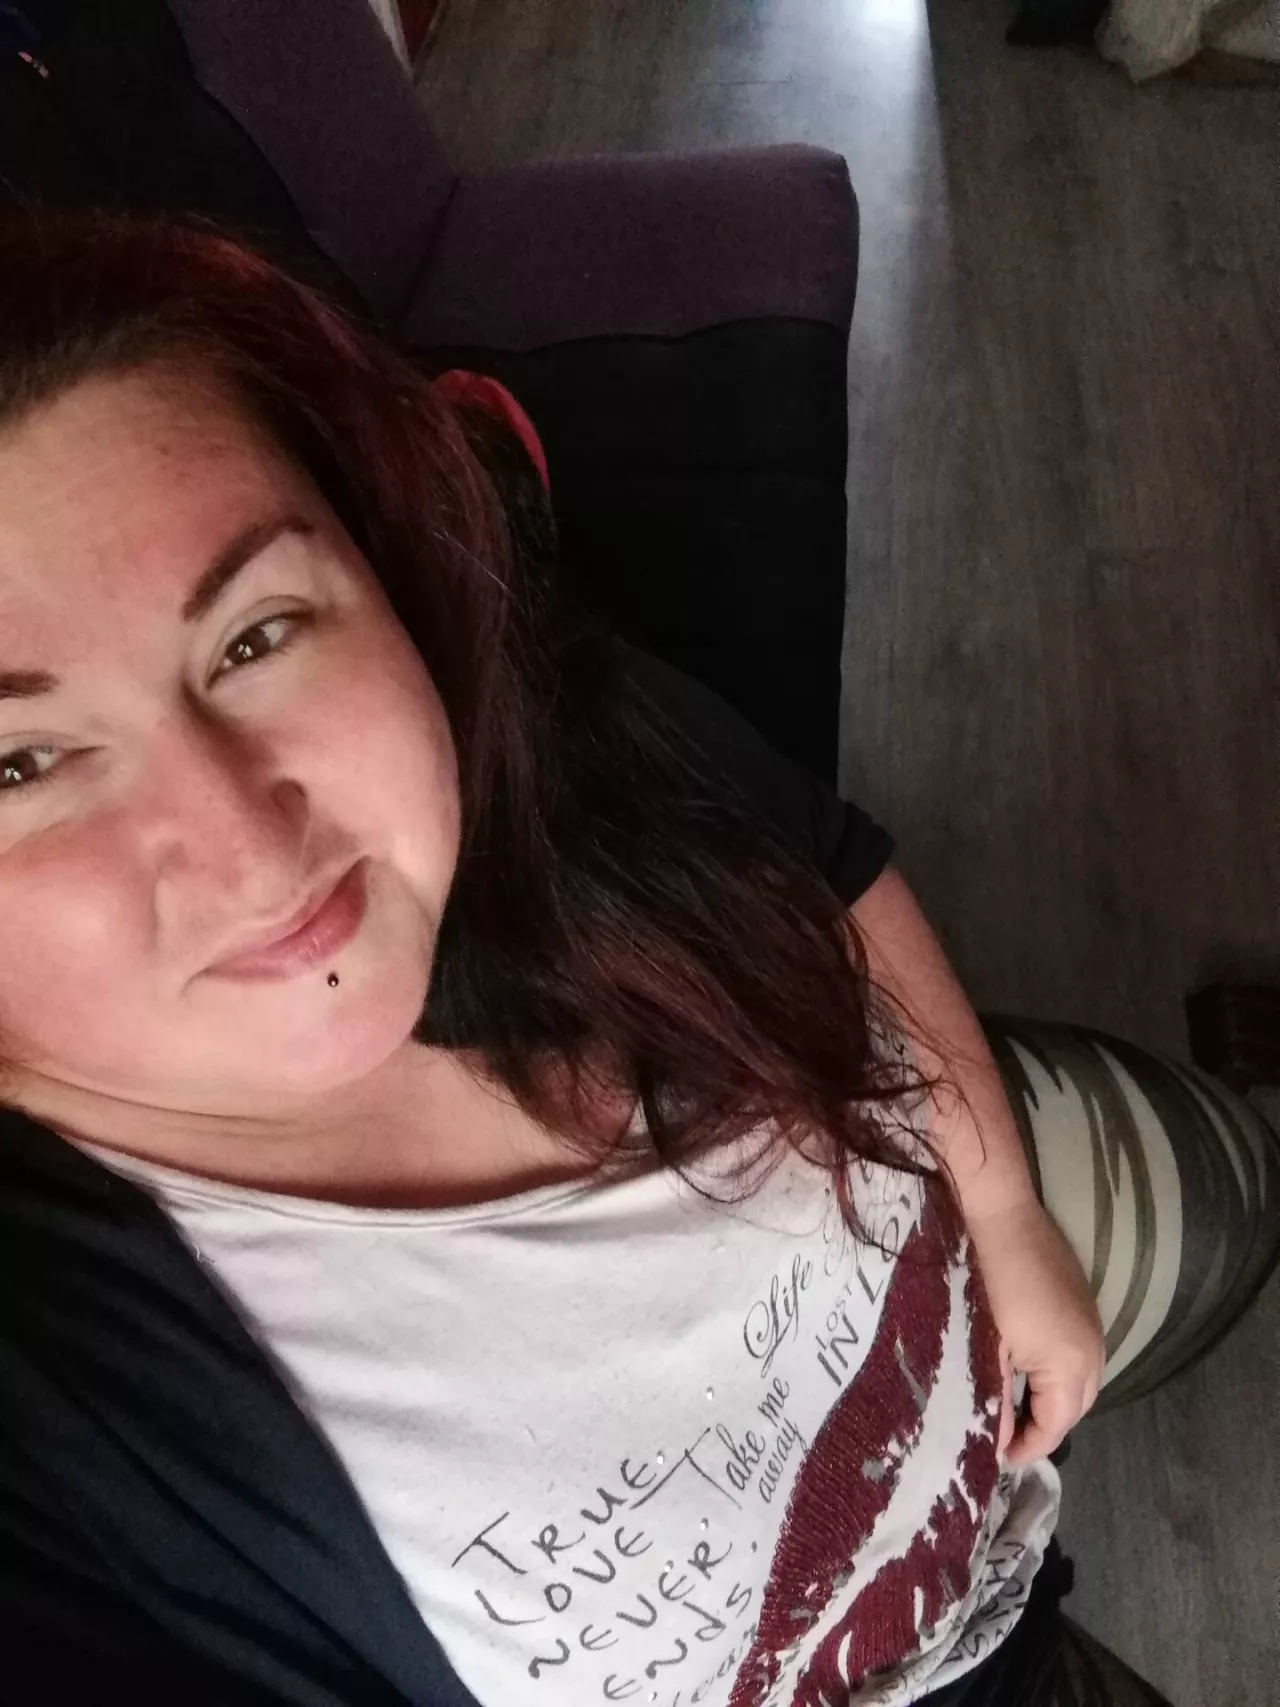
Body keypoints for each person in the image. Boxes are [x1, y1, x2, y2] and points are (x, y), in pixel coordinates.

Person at [0, 208, 1168, 1707]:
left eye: (255, 633)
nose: (245, 846)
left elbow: (821, 863)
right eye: (18, 766)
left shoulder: (535, 725)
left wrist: (1003, 1212)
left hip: (1012, 1566)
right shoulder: (79, 1453)